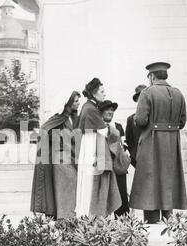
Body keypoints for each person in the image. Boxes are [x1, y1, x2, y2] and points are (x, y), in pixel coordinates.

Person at [129, 62, 187, 224]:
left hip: (152, 142)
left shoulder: (147, 93)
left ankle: (152, 220)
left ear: (152, 76)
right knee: (168, 178)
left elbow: (141, 120)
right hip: (172, 143)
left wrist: (135, 119)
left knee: (150, 180)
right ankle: (168, 218)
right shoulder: (178, 93)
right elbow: (182, 122)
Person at [31, 91, 81, 219]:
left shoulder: (75, 118)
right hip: (61, 162)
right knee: (65, 192)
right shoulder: (58, 118)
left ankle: (70, 220)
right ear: (68, 103)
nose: (78, 103)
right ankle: (64, 220)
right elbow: (43, 131)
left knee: (73, 191)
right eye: (75, 101)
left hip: (74, 159)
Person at [75, 78, 121, 218]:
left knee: (90, 183)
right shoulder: (91, 109)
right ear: (94, 93)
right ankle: (91, 215)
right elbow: (103, 131)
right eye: (102, 91)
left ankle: (89, 214)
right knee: (91, 183)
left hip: (91, 145)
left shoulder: (88, 107)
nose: (104, 94)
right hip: (92, 147)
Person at [100, 100, 130, 217]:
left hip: (118, 167)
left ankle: (122, 225)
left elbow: (124, 145)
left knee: (121, 196)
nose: (110, 112)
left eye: (112, 110)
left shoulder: (118, 127)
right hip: (104, 167)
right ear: (101, 112)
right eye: (107, 110)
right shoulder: (98, 127)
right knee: (105, 197)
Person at [125, 85, 147, 168]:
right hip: (139, 160)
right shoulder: (131, 119)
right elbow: (129, 140)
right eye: (140, 98)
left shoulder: (155, 118)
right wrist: (134, 155)